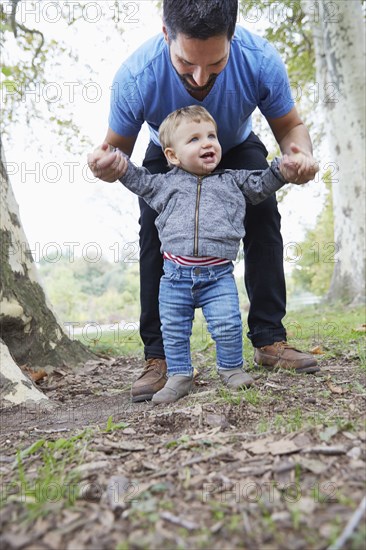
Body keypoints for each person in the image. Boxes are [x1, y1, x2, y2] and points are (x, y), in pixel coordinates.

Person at [88, 0, 320, 403]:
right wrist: (107, 166)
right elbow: (117, 152)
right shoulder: (137, 75)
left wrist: (298, 157)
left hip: (233, 144)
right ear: (166, 34)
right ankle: (159, 356)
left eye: (215, 65)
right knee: (152, 229)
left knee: (264, 213)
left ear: (232, 37)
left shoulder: (260, 59)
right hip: (171, 150)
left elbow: (290, 126)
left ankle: (270, 340)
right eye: (186, 64)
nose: (200, 78)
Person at [113, 106, 310, 404]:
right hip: (175, 278)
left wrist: (283, 168)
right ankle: (179, 374)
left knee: (227, 324)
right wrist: (116, 163)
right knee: (175, 330)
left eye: (211, 136)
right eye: (193, 139)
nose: (207, 143)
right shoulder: (164, 184)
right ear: (172, 156)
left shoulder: (233, 180)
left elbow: (262, 183)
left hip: (217, 276)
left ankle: (231, 368)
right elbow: (138, 179)